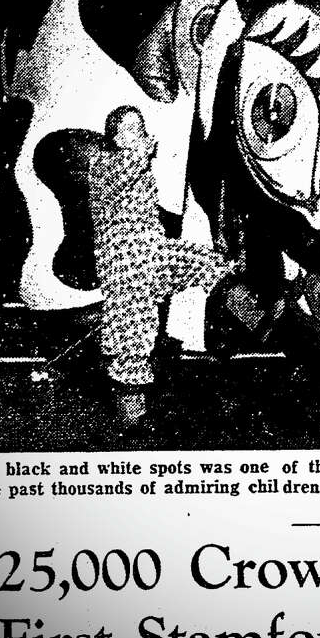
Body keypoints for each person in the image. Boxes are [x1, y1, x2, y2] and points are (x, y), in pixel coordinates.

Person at [88, 106, 236, 425]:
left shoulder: (139, 163)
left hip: (153, 252)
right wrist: (143, 151)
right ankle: (133, 419)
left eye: (140, 128)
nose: (138, 134)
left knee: (210, 264)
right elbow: (126, 170)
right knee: (133, 336)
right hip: (124, 264)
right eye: (129, 129)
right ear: (113, 136)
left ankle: (258, 318)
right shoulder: (103, 163)